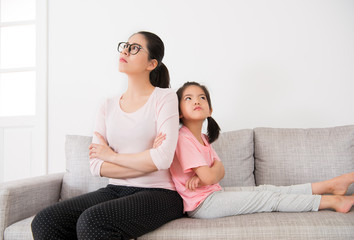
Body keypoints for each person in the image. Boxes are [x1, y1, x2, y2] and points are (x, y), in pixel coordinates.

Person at [31, 31, 184, 240]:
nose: (126, 51)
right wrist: (146, 159)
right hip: (115, 189)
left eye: (135, 48)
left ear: (151, 64)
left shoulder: (164, 97)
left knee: (92, 222)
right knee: (46, 220)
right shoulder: (107, 105)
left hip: (160, 193)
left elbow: (163, 159)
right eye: (125, 46)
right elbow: (96, 165)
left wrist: (111, 157)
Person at [167, 81, 354, 219]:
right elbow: (211, 175)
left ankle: (330, 186)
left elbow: (220, 171)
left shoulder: (204, 139)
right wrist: (208, 175)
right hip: (203, 205)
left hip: (213, 194)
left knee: (266, 189)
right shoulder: (183, 138)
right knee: (268, 198)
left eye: (202, 97)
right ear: (180, 112)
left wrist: (208, 174)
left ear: (210, 110)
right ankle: (334, 201)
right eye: (188, 98)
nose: (196, 101)